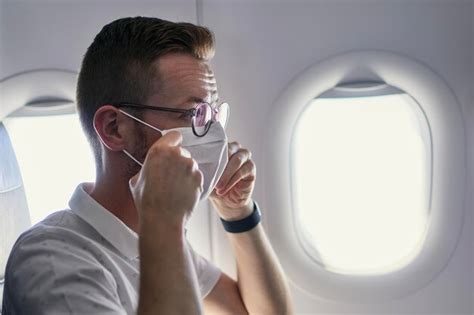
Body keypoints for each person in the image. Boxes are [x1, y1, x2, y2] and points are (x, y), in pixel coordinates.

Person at [2, 16, 294, 314]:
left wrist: (237, 213)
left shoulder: (144, 235)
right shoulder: (52, 262)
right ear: (115, 128)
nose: (215, 135)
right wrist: (165, 224)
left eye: (214, 116)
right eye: (194, 114)